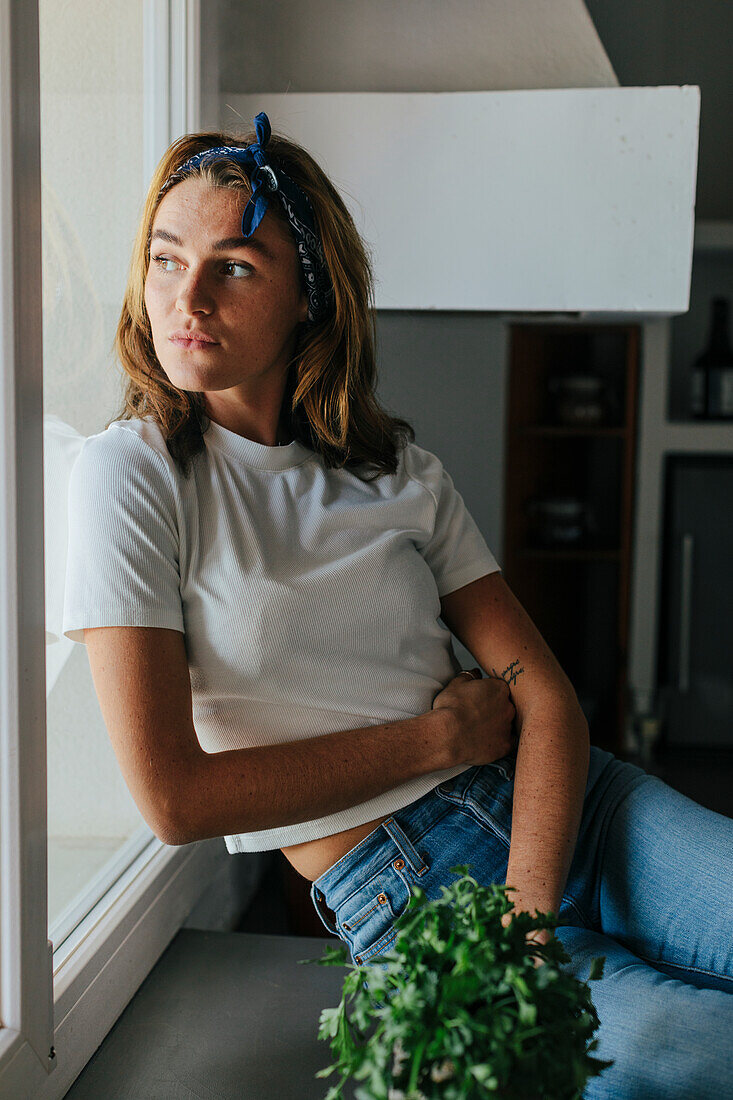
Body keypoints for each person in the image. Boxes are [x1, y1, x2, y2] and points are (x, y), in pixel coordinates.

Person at [61, 112, 732, 1097]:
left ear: (310, 296)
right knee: (698, 1053)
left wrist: (526, 917)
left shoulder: (396, 470)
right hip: (405, 887)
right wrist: (436, 742)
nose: (186, 296)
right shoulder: (133, 475)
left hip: (575, 808)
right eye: (166, 259)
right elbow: (174, 797)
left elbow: (544, 699)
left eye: (234, 265)